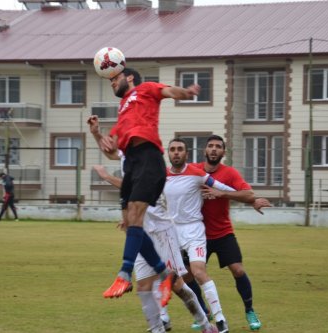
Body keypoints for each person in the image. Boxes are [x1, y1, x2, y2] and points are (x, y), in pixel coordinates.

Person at [87, 67, 201, 303]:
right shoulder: (122, 111)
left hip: (150, 158)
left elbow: (170, 91)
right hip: (133, 165)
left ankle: (124, 273)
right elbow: (111, 152)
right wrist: (97, 134)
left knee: (136, 218)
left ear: (129, 77)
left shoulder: (145, 89)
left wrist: (187, 93)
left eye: (114, 78)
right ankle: (164, 272)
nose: (111, 83)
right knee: (130, 225)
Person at [93, 165, 218, 333]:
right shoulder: (129, 158)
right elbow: (129, 196)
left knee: (177, 285)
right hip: (141, 232)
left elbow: (136, 190)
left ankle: (206, 326)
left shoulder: (148, 159)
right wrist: (128, 218)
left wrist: (106, 176)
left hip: (162, 232)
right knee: (144, 287)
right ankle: (157, 329)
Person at [189, 134, 271, 331]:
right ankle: (203, 312)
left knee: (238, 270)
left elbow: (248, 193)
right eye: (211, 146)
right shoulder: (193, 170)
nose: (214, 149)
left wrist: (223, 193)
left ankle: (250, 310)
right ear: (205, 151)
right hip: (197, 234)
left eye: (218, 146)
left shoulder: (230, 173)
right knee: (189, 276)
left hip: (223, 233)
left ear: (223, 152)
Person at [164, 138, 237, 333]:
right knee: (169, 276)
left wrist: (250, 198)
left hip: (194, 229)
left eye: (180, 149)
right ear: (168, 153)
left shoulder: (197, 173)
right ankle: (165, 318)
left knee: (198, 271)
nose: (176, 153)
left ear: (186, 154)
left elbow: (225, 188)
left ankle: (220, 319)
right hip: (171, 231)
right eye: (173, 150)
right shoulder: (161, 176)